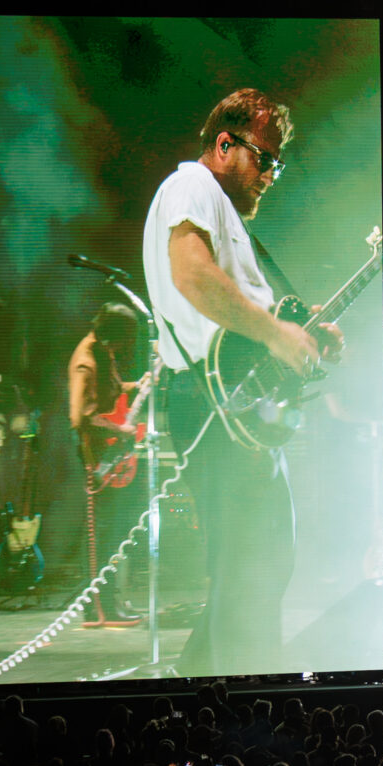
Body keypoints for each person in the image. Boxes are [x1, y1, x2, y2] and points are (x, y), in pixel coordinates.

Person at [142, 87, 343, 675]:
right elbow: (194, 278)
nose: (272, 175)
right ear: (223, 143)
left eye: (278, 164)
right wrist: (277, 335)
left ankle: (194, 688)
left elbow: (237, 318)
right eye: (264, 158)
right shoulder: (192, 187)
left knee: (256, 563)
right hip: (211, 405)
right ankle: (243, 715)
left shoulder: (220, 209)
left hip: (232, 404)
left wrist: (301, 334)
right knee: (253, 566)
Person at [67, 302, 149, 626]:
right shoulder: (86, 362)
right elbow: (78, 418)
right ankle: (98, 610)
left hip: (105, 450)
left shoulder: (102, 350)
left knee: (111, 533)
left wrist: (133, 385)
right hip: (94, 457)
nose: (121, 349)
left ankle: (107, 604)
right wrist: (120, 430)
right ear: (111, 336)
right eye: (120, 342)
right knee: (100, 536)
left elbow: (110, 389)